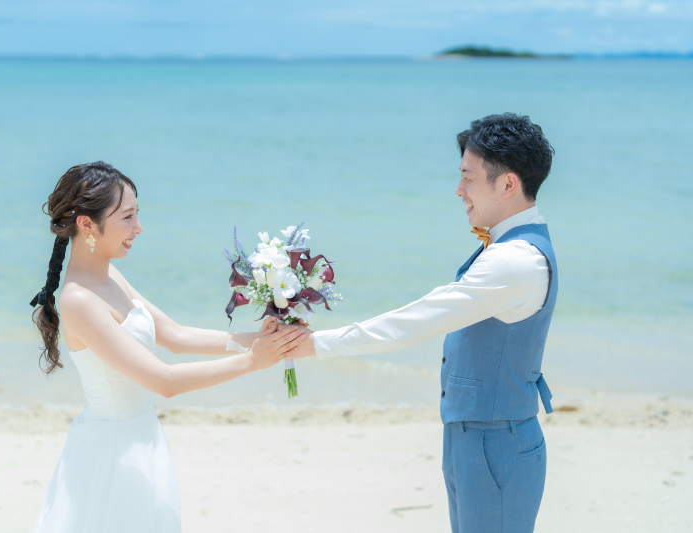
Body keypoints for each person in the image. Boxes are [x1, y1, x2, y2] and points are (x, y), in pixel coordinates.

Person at [287, 113, 557, 533]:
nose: (459, 190)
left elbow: (414, 321)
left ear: (507, 184)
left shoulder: (515, 260)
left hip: (495, 443)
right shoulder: (508, 247)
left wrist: (315, 344)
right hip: (475, 437)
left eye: (468, 178)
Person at [29, 161, 305, 533]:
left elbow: (175, 335)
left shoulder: (110, 274)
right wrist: (253, 361)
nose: (138, 228)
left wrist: (261, 338)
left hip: (142, 437)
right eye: (127, 217)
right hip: (111, 452)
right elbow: (164, 382)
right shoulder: (79, 300)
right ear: (87, 224)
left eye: (137, 214)